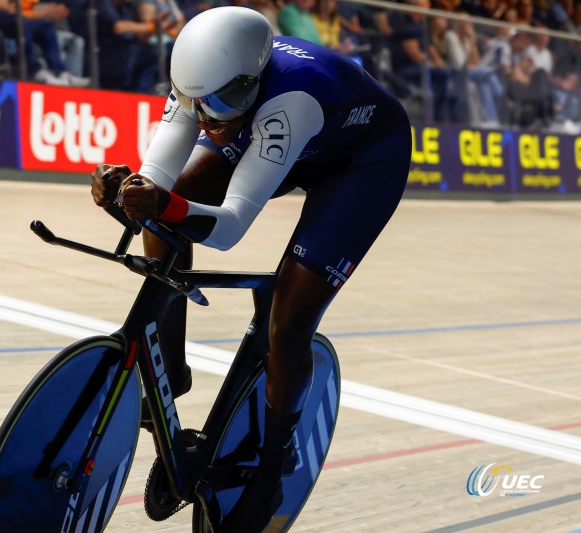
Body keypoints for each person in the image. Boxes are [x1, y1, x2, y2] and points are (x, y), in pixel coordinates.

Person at [89, 6, 411, 530]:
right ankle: (169, 372)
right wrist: (126, 191)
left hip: (361, 163)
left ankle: (272, 468)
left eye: (225, 100)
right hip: (275, 134)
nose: (212, 116)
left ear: (253, 79)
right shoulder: (202, 86)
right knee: (163, 208)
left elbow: (228, 228)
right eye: (200, 104)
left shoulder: (290, 101)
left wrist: (162, 203)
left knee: (288, 325)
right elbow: (155, 178)